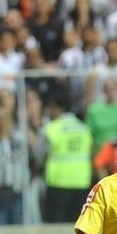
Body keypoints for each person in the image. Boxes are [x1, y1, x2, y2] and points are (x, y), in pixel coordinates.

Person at [40, 88, 93, 223]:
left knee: (56, 227)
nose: (49, 112)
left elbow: (40, 155)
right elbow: (90, 151)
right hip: (81, 182)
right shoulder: (83, 128)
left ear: (55, 107)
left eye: (50, 108)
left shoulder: (52, 128)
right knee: (77, 226)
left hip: (58, 182)